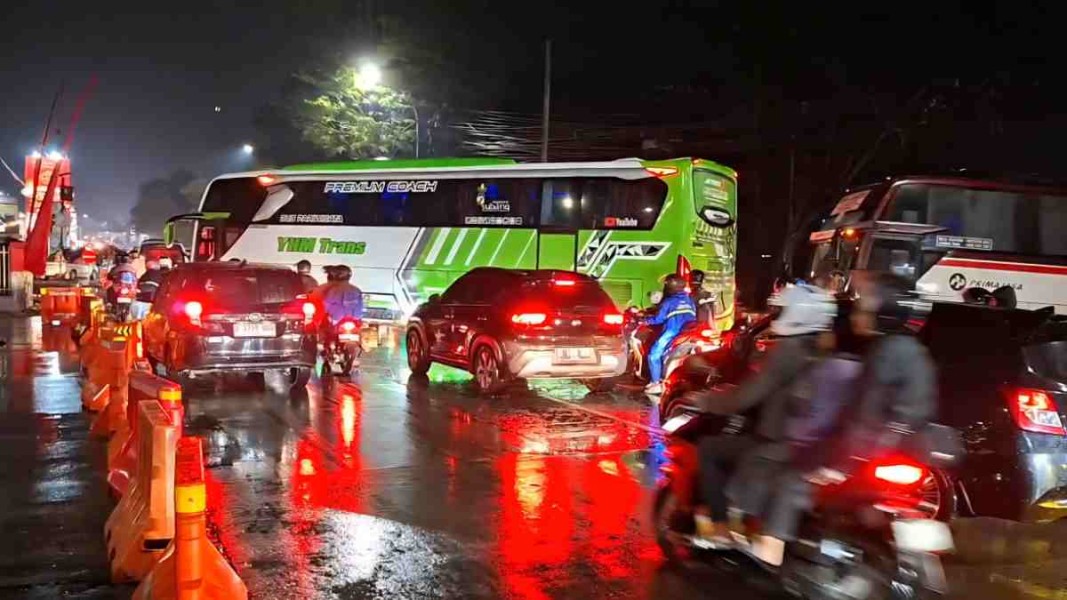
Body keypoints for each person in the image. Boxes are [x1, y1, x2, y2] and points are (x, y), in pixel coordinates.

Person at [750, 273, 937, 569]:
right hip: (909, 450)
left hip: (869, 451)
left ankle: (769, 553)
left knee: (790, 479)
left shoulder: (884, 354)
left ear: (884, 313)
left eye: (865, 309)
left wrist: (838, 465)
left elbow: (865, 415)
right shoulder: (915, 351)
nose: (857, 316)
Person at [686, 283, 837, 549]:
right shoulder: (821, 350)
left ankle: (720, 528)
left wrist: (707, 401)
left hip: (778, 442)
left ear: (798, 314)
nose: (776, 315)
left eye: (782, 310)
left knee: (709, 449)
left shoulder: (788, 351)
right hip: (811, 442)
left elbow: (747, 396)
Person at [643, 274, 697, 394]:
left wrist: (645, 320)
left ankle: (656, 382)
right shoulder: (689, 299)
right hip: (688, 332)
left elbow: (658, 319)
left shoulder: (668, 302)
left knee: (654, 355)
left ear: (670, 287)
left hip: (673, 331)